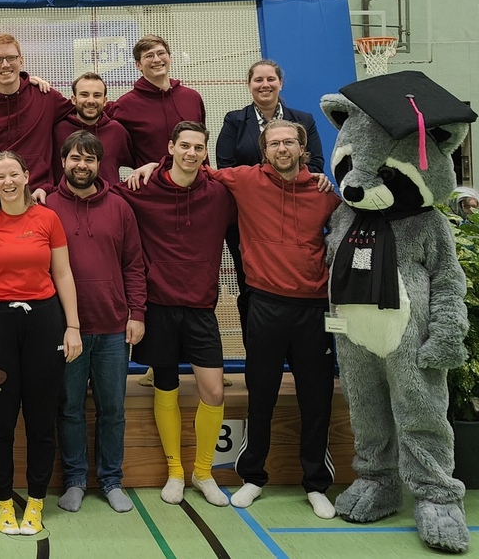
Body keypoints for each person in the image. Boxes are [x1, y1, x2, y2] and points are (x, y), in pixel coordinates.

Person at [211, 119, 341, 519]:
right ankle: (253, 477)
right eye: (274, 144)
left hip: (314, 310)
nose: (282, 149)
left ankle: (316, 484)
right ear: (263, 150)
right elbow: (193, 169)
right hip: (265, 306)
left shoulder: (324, 193)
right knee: (261, 394)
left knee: (316, 399)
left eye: (289, 142)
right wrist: (152, 166)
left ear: (302, 149)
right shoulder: (244, 180)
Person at [0, 151, 82, 536]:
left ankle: (35, 502)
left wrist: (72, 326)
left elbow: (62, 273)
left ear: (27, 176)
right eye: (0, 176)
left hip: (44, 323)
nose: (8, 181)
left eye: (14, 174)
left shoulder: (47, 219)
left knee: (41, 420)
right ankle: (3, 504)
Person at [118, 122, 236, 508]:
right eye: (184, 145)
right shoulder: (143, 188)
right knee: (165, 386)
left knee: (214, 391)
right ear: (170, 148)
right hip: (159, 306)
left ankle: (203, 472)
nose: (191, 153)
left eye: (198, 147)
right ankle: (175, 472)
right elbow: (97, 192)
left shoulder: (220, 193)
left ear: (205, 153)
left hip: (201, 308)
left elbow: (259, 183)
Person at [48, 131, 147, 514]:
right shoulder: (47, 206)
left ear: (99, 164)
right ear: (63, 162)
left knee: (113, 410)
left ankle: (111, 480)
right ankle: (74, 480)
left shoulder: (120, 207)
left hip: (112, 328)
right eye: (75, 158)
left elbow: (134, 264)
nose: (82, 165)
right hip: (66, 329)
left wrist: (137, 313)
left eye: (89, 159)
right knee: (70, 408)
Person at [216, 60, 325, 346]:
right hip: (250, 218)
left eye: (270, 79)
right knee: (249, 286)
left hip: (294, 215)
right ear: (249, 84)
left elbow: (316, 164)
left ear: (280, 83)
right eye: (258, 80)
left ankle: (298, 351)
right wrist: (262, 186)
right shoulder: (235, 121)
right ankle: (256, 350)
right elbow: (224, 167)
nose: (265, 85)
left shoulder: (304, 119)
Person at [0, 34, 73, 188]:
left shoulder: (45, 97)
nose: (5, 65)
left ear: (21, 60)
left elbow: (87, 111)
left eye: (11, 58)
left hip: (38, 193)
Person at [108, 35, 206, 167]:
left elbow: (201, 143)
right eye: (149, 56)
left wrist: (206, 174)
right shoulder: (126, 105)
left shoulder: (192, 97)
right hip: (152, 179)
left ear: (170, 58)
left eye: (161, 53)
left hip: (195, 178)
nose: (157, 59)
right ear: (138, 65)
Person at [52, 73, 133, 183]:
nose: (91, 101)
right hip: (66, 194)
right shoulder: (58, 131)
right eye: (84, 95)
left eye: (97, 95)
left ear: (105, 101)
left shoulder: (117, 131)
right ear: (74, 99)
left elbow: (138, 161)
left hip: (108, 194)